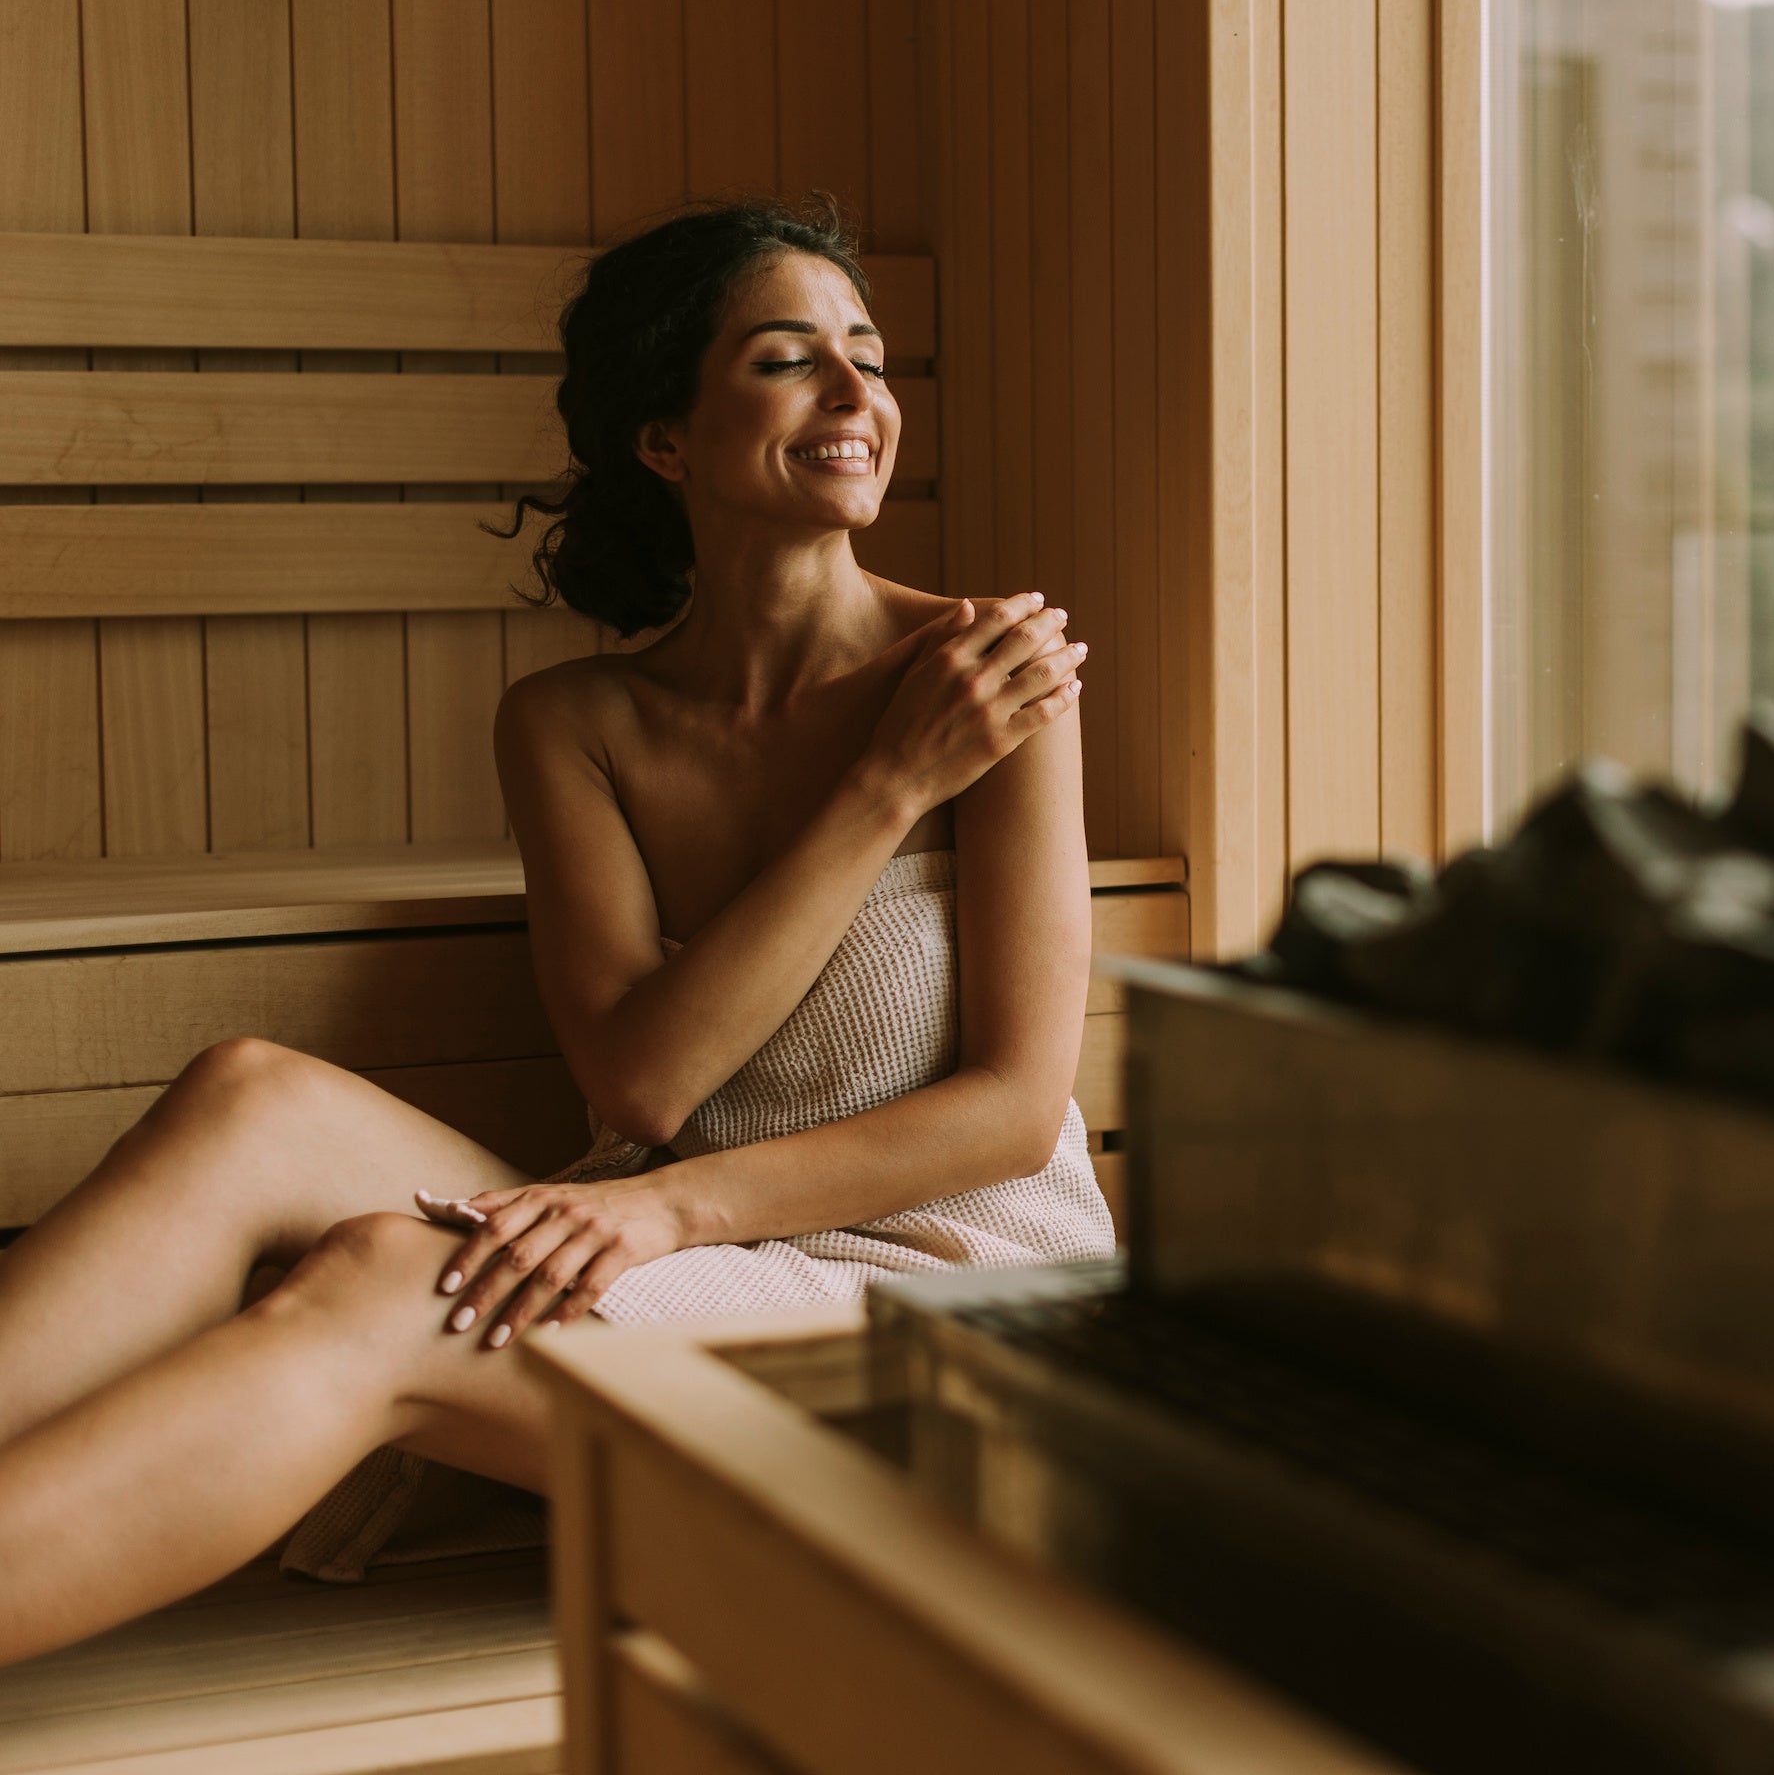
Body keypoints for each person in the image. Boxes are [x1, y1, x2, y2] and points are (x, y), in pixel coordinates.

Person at [0, 200, 1106, 1663]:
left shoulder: (988, 676)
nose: (857, 399)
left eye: (871, 357)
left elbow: (1014, 1115)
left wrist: (662, 1210)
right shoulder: (583, 726)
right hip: (679, 1246)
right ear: (666, 438)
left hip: (948, 1312)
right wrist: (885, 786)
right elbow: (641, 1087)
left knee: (393, 1280)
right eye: (791, 360)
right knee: (251, 1099)